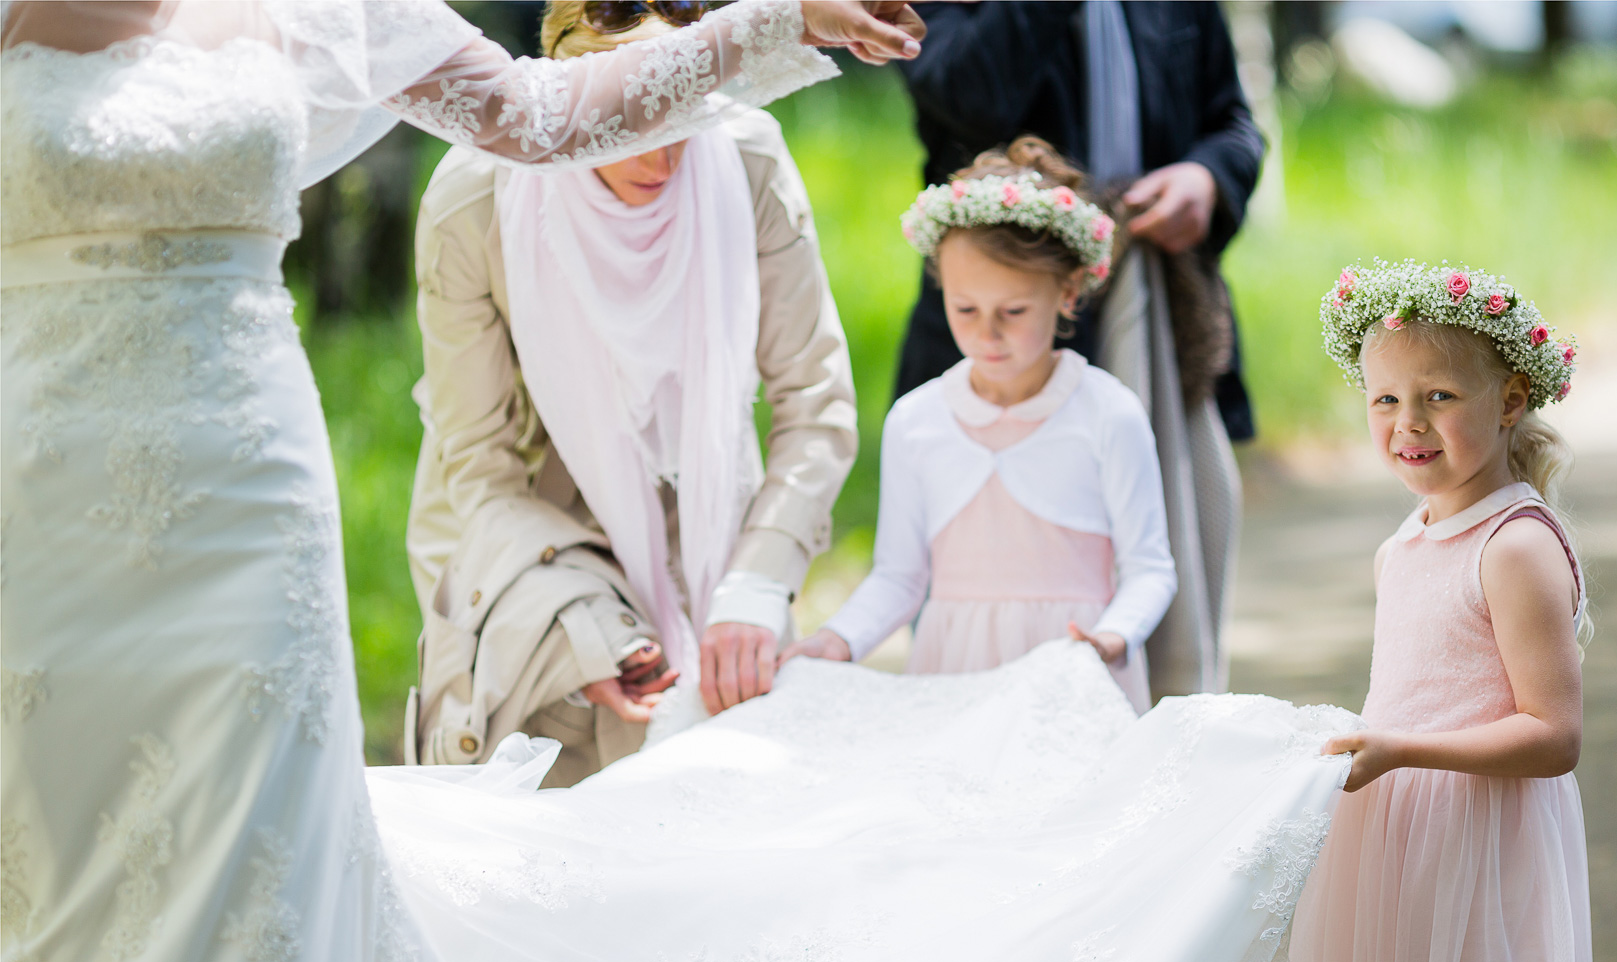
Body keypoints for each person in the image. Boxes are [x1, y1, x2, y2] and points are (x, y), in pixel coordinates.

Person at [0, 1, 924, 962]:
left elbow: (539, 115)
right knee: (54, 847)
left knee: (248, 857)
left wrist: (774, 23)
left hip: (239, 497)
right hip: (38, 475)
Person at [405, 4, 858, 785]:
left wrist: (756, 581)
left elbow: (816, 403)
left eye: (687, 114)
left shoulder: (745, 160)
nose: (669, 152)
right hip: (536, 553)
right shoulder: (475, 199)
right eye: (636, 125)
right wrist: (586, 633)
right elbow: (479, 467)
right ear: (572, 112)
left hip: (720, 531)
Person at [1269, 261, 1596, 962]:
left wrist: (1404, 750)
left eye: (1439, 396)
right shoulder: (1405, 542)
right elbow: (1409, 693)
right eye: (1384, 398)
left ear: (1510, 401)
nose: (1407, 424)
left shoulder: (1516, 545)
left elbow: (1553, 735)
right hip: (1412, 862)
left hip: (1484, 867)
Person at [892, 0, 1266, 698]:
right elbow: (963, 92)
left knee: (1169, 550)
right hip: (998, 337)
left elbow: (1234, 123)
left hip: (1156, 317)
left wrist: (1209, 178)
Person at [781, 138, 1176, 712]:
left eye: (1013, 312)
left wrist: (1112, 638)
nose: (987, 333)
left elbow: (1149, 569)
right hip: (953, 679)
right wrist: (837, 640)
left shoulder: (1107, 414)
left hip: (1070, 680)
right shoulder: (917, 422)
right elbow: (899, 577)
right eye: (965, 309)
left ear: (1067, 293)